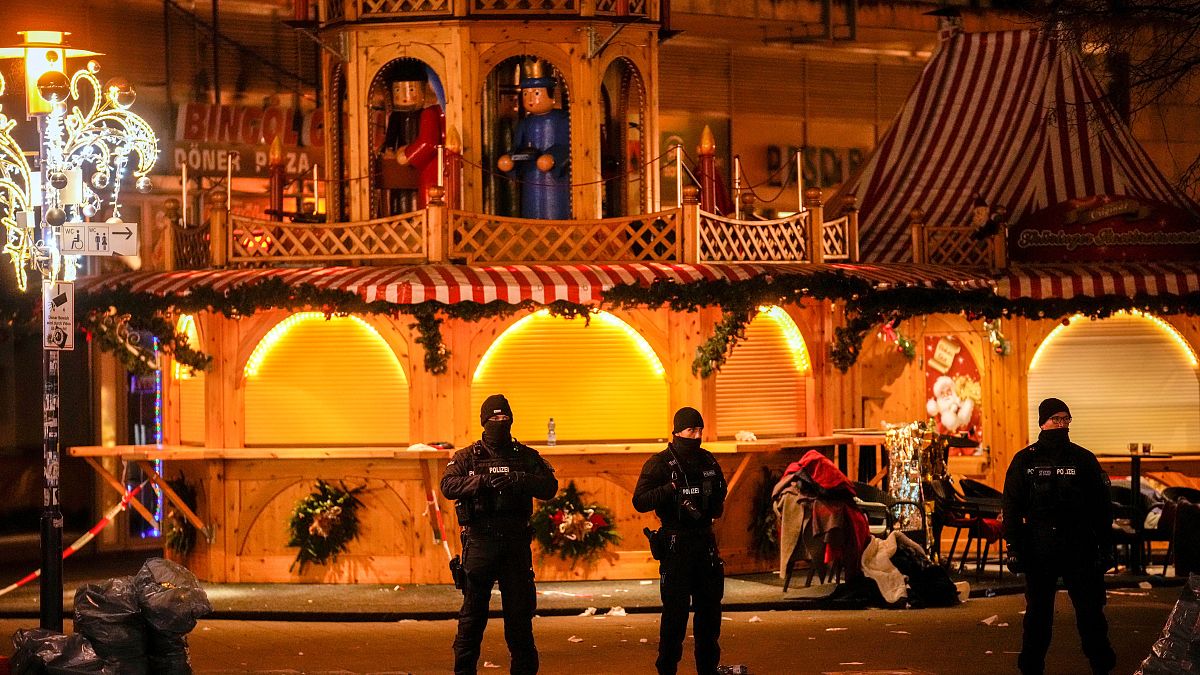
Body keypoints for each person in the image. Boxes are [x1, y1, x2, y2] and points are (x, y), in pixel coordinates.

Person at [440, 394, 559, 675]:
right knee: (471, 619)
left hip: (515, 544)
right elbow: (447, 485)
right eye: (494, 419)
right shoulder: (468, 456)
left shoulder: (525, 456)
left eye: (504, 418)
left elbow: (549, 486)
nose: (499, 423)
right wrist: (480, 482)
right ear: (483, 422)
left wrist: (519, 480)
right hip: (480, 542)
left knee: (519, 622)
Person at [1002, 398, 1116, 675]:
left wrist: (1106, 546)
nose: (1061, 425)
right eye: (1056, 419)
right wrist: (1014, 546)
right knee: (1038, 616)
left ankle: (1102, 666)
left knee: (1090, 614)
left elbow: (1101, 507)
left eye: (1066, 419)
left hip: (1079, 544)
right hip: (1039, 545)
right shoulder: (1025, 459)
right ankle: (1031, 667)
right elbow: (1012, 506)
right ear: (1043, 422)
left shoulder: (1083, 459)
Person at [633, 407, 728, 675]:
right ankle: (667, 670)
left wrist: (712, 506)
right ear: (676, 432)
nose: (696, 435)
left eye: (699, 431)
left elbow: (721, 489)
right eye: (690, 431)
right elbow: (640, 501)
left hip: (704, 544)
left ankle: (707, 669)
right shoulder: (660, 463)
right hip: (676, 545)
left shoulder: (708, 461)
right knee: (674, 618)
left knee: (709, 617)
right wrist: (670, 489)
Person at [497, 61, 570, 220]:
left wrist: (553, 157)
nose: (530, 98)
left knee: (555, 210)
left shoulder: (563, 119)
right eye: (525, 94)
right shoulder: (525, 122)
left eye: (536, 93)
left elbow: (569, 146)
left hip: (556, 181)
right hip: (532, 178)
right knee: (532, 209)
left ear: (551, 96)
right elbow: (519, 147)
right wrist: (510, 159)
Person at [381, 61, 444, 212]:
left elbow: (427, 141)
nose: (404, 96)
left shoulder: (426, 114)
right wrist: (389, 148)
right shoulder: (396, 116)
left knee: (418, 192)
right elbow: (391, 135)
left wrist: (410, 153)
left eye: (410, 89)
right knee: (399, 194)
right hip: (401, 158)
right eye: (397, 90)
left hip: (417, 159)